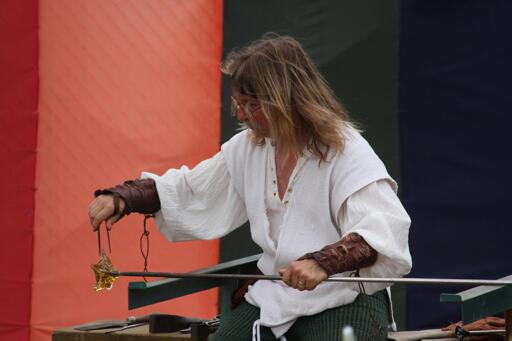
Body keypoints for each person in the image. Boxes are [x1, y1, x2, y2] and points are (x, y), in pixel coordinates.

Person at [88, 34, 412, 341]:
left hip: (342, 296)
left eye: (252, 105)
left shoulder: (344, 150)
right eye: (238, 104)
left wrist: (322, 262)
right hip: (274, 294)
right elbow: (190, 189)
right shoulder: (247, 148)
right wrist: (125, 198)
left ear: (287, 100)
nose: (242, 114)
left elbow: (382, 230)